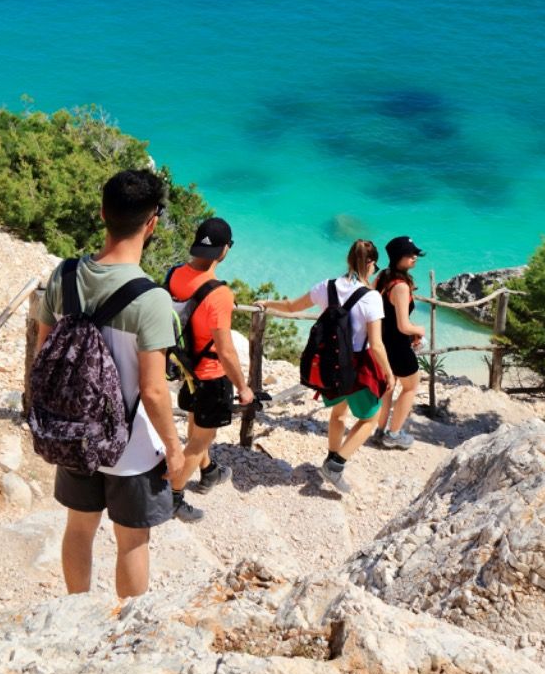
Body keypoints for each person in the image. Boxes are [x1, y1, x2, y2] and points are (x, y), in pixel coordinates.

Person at [30, 169, 183, 598]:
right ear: (152, 223)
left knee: (79, 527)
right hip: (131, 448)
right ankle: (121, 636)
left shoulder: (64, 276)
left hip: (74, 432)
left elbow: (44, 355)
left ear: (102, 213)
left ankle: (77, 613)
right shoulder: (151, 299)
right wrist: (174, 449)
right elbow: (153, 391)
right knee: (132, 539)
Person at [259, 239, 393, 493]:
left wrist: (266, 304)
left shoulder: (326, 286)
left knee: (338, 413)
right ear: (371, 263)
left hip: (329, 363)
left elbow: (291, 307)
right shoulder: (372, 298)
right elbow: (376, 345)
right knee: (369, 419)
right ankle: (336, 465)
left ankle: (331, 456)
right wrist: (389, 372)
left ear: (348, 260)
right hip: (357, 365)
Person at [163, 217, 253, 522]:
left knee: (196, 423)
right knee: (200, 439)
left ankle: (209, 471)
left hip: (184, 367)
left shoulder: (174, 274)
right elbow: (225, 350)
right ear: (225, 250)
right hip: (211, 375)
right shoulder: (220, 294)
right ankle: (171, 496)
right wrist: (243, 387)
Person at [373, 236, 426, 449]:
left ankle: (380, 430)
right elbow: (404, 325)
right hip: (398, 347)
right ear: (397, 257)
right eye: (409, 254)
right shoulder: (401, 287)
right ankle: (394, 435)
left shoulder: (382, 277)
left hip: (382, 343)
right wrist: (419, 330)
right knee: (411, 387)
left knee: (388, 387)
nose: (414, 257)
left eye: (415, 253)